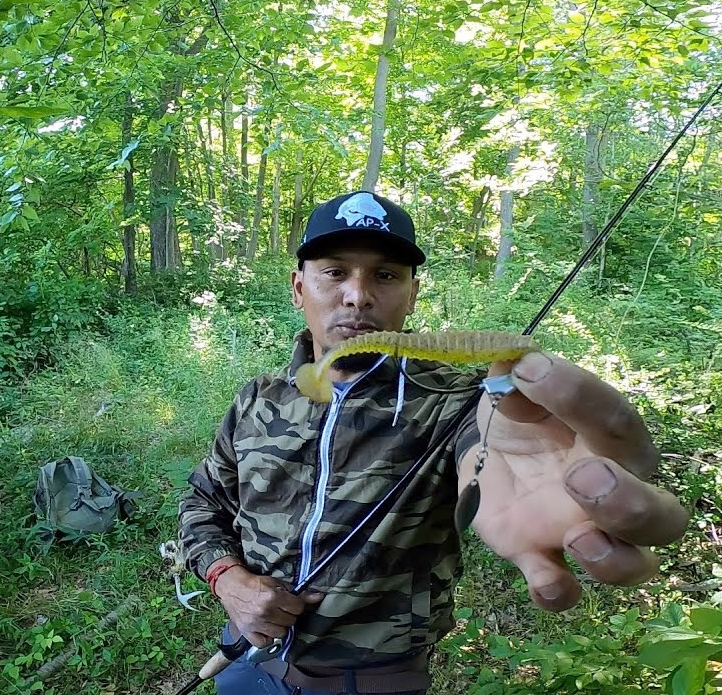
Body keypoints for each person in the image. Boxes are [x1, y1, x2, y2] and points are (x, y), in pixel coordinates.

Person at [178, 191, 689, 694]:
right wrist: (229, 580)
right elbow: (204, 501)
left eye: (385, 275)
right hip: (245, 654)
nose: (358, 295)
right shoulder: (257, 400)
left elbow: (486, 444)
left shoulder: (458, 401)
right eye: (335, 272)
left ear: (412, 293)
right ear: (298, 287)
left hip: (371, 679)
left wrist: (531, 469)